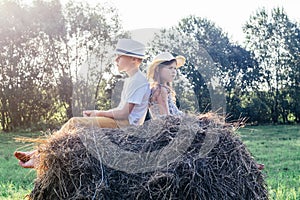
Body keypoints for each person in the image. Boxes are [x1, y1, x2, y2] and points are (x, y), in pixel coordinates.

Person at [14, 39, 151, 168]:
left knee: (74, 122)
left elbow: (124, 113)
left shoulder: (138, 81)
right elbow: (122, 110)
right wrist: (96, 115)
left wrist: (98, 113)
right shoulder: (132, 79)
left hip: (126, 126)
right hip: (122, 122)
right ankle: (38, 153)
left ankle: (40, 156)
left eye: (120, 56)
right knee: (78, 125)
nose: (116, 60)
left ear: (134, 59)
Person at [147, 52, 186, 119]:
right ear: (158, 69)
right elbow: (166, 118)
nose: (173, 71)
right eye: (170, 68)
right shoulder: (161, 90)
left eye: (175, 68)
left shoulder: (160, 88)